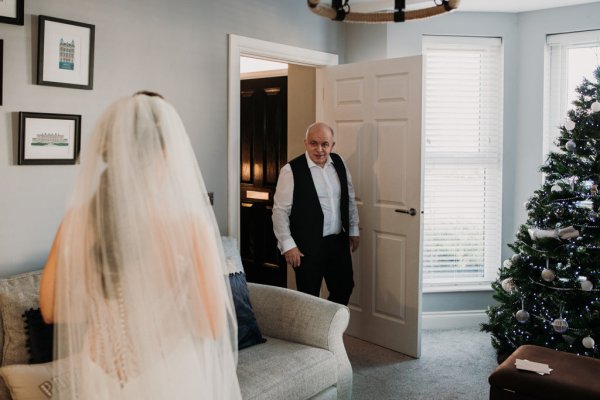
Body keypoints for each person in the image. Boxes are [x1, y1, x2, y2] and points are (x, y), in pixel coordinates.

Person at [39, 92, 242, 399]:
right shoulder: (188, 227)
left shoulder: (76, 221)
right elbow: (211, 326)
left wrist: (107, 307)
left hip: (99, 377)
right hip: (169, 376)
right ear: (164, 154)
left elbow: (51, 309)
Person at [272, 122, 359, 306]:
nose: (319, 149)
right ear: (306, 143)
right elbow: (280, 212)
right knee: (309, 296)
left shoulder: (340, 163)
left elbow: (349, 198)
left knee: (344, 287)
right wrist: (288, 245)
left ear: (332, 145)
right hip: (307, 246)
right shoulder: (291, 170)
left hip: (337, 241)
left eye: (325, 144)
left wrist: (353, 230)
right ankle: (310, 334)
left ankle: (326, 330)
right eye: (313, 143)